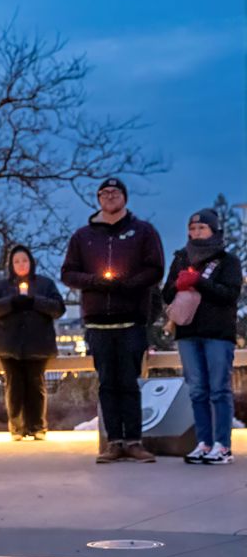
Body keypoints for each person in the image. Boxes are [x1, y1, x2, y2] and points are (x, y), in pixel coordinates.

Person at [61, 177, 164, 464]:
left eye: (115, 192)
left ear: (125, 198)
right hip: (98, 323)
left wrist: (127, 284)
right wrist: (94, 281)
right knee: (107, 383)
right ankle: (113, 441)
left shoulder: (142, 231)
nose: (109, 196)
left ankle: (134, 441)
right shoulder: (83, 236)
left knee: (130, 383)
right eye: (104, 193)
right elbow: (68, 273)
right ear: (97, 199)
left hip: (131, 320)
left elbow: (155, 269)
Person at [162, 209, 243, 465]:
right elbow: (165, 294)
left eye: (202, 228)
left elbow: (229, 294)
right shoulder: (180, 259)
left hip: (218, 333)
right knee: (196, 390)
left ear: (214, 230)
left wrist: (199, 282)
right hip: (188, 332)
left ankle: (222, 445)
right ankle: (203, 442)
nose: (196, 232)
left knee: (218, 389)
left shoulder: (228, 261)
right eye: (193, 228)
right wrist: (178, 284)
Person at [0, 245, 66, 441]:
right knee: (14, 386)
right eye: (17, 261)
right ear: (11, 265)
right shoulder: (1, 287)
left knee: (36, 384)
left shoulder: (45, 284)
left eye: (24, 260)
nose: (21, 265)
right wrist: (11, 303)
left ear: (31, 262)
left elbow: (58, 308)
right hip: (9, 345)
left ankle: (38, 427)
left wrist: (34, 302)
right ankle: (17, 428)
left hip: (38, 345)